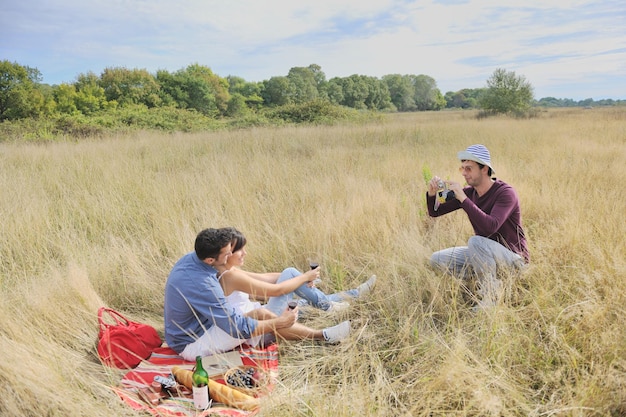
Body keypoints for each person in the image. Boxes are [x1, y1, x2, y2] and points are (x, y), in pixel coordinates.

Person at [164, 228, 351, 361]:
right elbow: (236, 327)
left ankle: (342, 298)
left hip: (204, 325)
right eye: (228, 254)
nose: (231, 256)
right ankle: (323, 336)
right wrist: (277, 323)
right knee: (263, 314)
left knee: (276, 307)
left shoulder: (196, 258)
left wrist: (300, 278)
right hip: (193, 342)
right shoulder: (204, 284)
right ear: (211, 260)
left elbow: (261, 282)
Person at [426, 144, 529, 308]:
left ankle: (491, 297)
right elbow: (434, 212)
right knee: (437, 260)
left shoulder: (505, 193)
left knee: (476, 241)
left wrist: (464, 200)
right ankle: (485, 281)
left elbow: (490, 227)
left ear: (485, 169)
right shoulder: (469, 192)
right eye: (463, 169)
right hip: (485, 255)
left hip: (513, 260)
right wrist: (432, 194)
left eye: (469, 168)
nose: (464, 173)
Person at [216, 227, 377, 317]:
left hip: (261, 314)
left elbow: (264, 278)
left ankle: (355, 294)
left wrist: (300, 279)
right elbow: (276, 290)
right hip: (260, 325)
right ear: (227, 253)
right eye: (240, 250)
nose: (245, 253)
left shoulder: (230, 270)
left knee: (306, 302)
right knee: (290, 273)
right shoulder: (229, 277)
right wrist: (304, 277)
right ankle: (330, 307)